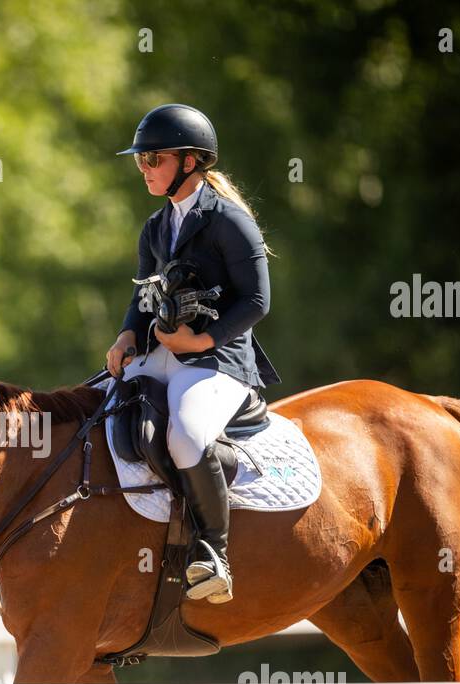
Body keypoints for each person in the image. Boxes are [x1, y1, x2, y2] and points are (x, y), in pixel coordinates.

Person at [106, 103, 281, 603]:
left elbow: (256, 301)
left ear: (189, 161)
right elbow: (144, 296)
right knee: (98, 401)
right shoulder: (155, 228)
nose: (144, 169)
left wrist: (202, 341)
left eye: (153, 159)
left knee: (184, 434)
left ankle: (214, 554)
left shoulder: (230, 221)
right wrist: (125, 336)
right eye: (140, 161)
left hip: (219, 359)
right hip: (167, 350)